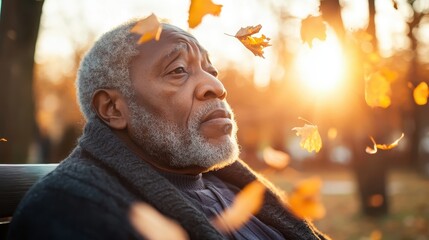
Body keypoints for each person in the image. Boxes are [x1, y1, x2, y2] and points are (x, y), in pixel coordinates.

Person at [8, 18, 329, 240]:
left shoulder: (233, 186)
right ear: (113, 109)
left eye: (211, 70)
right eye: (178, 71)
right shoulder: (70, 210)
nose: (216, 86)